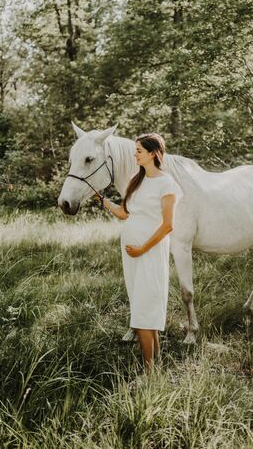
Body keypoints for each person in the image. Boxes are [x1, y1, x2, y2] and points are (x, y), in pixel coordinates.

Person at [101, 133, 183, 373]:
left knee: (145, 310)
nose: (134, 154)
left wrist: (142, 248)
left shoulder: (167, 184)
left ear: (154, 153)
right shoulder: (137, 181)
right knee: (142, 306)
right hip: (132, 256)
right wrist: (104, 201)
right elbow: (126, 213)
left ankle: (148, 374)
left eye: (138, 150)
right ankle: (153, 369)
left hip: (149, 253)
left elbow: (168, 225)